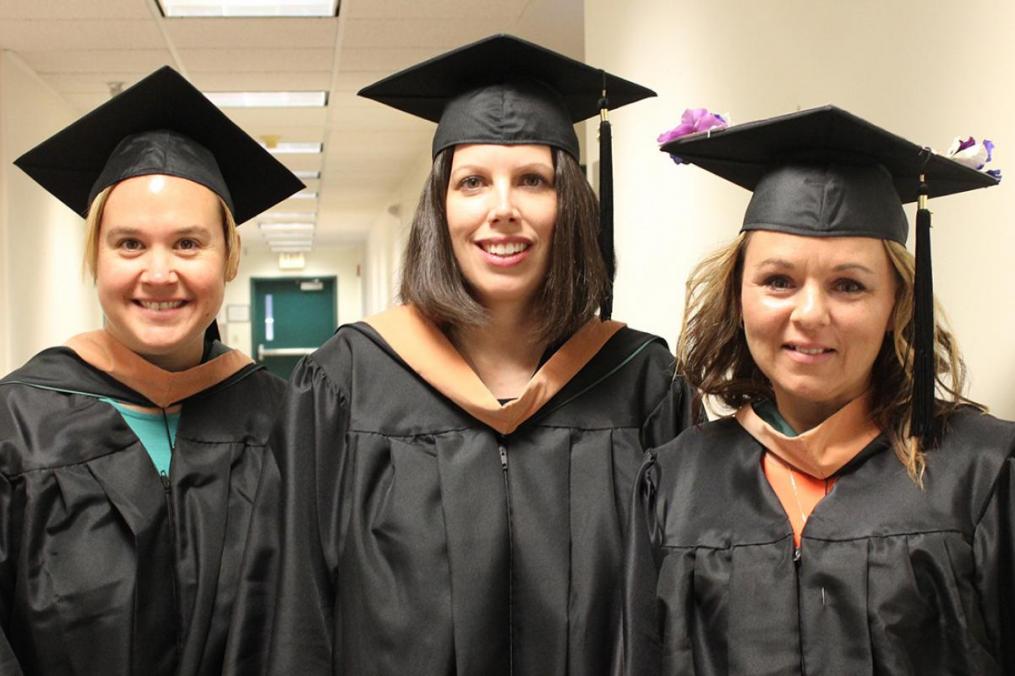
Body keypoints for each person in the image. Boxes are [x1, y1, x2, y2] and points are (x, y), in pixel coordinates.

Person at [225, 35, 701, 675]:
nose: (502, 210)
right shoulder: (347, 382)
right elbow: (298, 610)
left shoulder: (642, 384)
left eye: (533, 180)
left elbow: (677, 619)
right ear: (439, 208)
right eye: (472, 182)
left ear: (570, 203)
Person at [621, 105, 1013, 675]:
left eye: (849, 286)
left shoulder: (981, 475)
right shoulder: (674, 483)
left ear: (896, 306)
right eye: (778, 281)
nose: (810, 314)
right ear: (738, 296)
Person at [0, 67, 303, 675]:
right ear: (96, 258)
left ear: (229, 258)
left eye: (188, 244)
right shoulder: (18, 425)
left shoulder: (287, 421)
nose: (159, 273)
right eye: (129, 244)